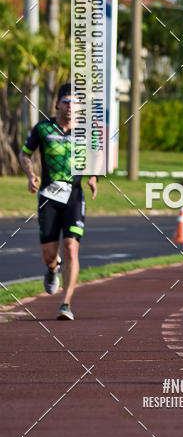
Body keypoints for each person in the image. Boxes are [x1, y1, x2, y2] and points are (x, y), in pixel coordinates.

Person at [18, 83, 97, 320]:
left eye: (75, 103)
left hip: (74, 196)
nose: (70, 107)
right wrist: (30, 175)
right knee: (49, 254)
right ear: (57, 104)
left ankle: (66, 304)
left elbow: (96, 156)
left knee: (71, 248)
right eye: (66, 102)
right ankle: (52, 269)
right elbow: (25, 154)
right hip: (48, 196)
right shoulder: (43, 128)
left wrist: (94, 177)